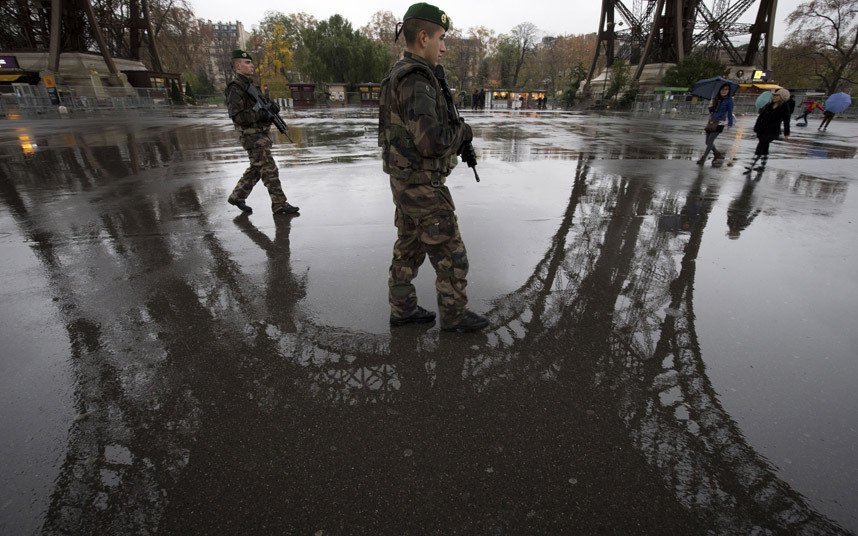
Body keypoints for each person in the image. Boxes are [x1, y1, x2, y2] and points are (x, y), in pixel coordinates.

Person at [379, 2, 489, 332]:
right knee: (452, 255)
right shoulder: (416, 79)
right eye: (441, 38)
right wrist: (464, 132)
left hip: (404, 183)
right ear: (424, 36)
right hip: (422, 186)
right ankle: (454, 318)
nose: (444, 47)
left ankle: (402, 309)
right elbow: (431, 141)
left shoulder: (399, 74)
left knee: (409, 250)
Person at [224, 49, 299, 215]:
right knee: (269, 168)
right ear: (237, 65)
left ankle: (237, 196)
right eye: (247, 62)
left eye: (250, 62)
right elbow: (237, 116)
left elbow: (266, 105)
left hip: (260, 134)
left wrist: (272, 108)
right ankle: (279, 204)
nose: (251, 65)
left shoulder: (251, 86)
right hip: (251, 137)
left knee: (257, 168)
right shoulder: (235, 88)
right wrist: (260, 113)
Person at [745, 88, 791, 173]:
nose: (774, 96)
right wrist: (757, 126)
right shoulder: (769, 105)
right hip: (762, 129)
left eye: (777, 95)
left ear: (782, 97)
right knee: (765, 147)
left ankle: (751, 165)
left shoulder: (784, 107)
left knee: (760, 146)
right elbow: (761, 117)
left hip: (772, 131)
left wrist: (786, 132)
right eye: (774, 95)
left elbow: (786, 121)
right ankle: (762, 166)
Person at [697, 83, 734, 165]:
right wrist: (710, 107)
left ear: (729, 91)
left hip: (720, 123)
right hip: (711, 121)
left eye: (726, 89)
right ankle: (717, 153)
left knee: (710, 142)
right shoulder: (716, 98)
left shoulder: (729, 101)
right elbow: (712, 111)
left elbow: (730, 113)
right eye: (722, 89)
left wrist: (730, 123)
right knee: (707, 142)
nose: (724, 91)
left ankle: (703, 158)